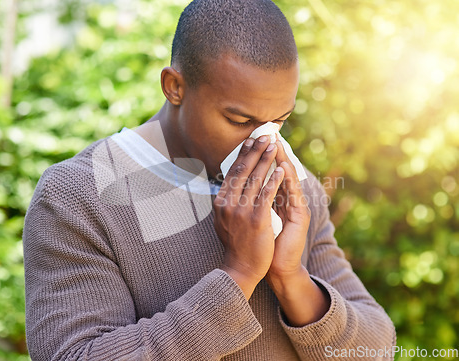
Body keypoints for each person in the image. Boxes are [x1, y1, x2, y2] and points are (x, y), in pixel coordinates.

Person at [23, 0, 396, 360]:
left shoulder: (293, 188)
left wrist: (290, 277)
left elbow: (376, 349)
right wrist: (241, 273)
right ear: (175, 87)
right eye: (239, 121)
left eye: (279, 120)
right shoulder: (78, 197)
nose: (262, 142)